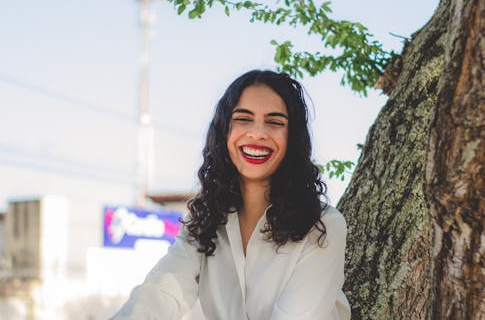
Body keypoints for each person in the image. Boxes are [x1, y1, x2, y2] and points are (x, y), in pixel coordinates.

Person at [111, 70, 350, 320]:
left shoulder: (322, 226)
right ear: (224, 131)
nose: (257, 133)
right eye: (243, 119)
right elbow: (160, 294)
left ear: (293, 139)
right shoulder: (205, 220)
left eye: (275, 122)